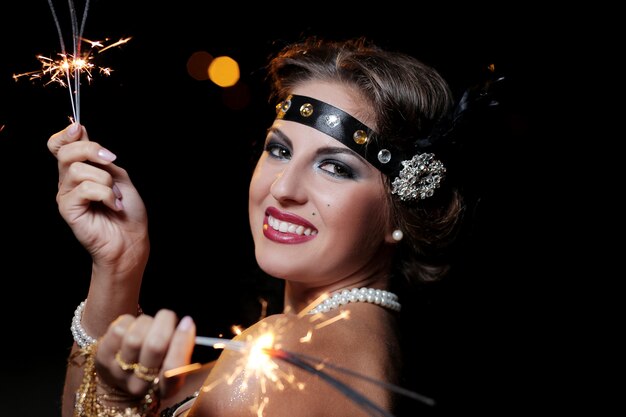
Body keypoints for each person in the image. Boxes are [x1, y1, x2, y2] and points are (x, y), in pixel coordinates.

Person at [49, 36, 500, 417]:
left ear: (401, 216)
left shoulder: (288, 359)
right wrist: (119, 265)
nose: (284, 188)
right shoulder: (327, 344)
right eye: (280, 151)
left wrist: (114, 398)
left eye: (336, 168)